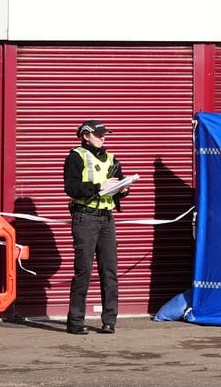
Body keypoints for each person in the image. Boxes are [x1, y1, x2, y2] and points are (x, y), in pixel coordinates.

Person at [64, 119, 129, 335]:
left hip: (106, 219)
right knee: (83, 271)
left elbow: (118, 183)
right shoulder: (76, 156)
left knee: (109, 271)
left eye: (105, 134)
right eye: (99, 134)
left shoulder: (111, 158)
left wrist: (122, 190)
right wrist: (100, 186)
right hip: (85, 218)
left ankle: (109, 321)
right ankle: (75, 322)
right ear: (85, 135)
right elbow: (72, 188)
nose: (104, 137)